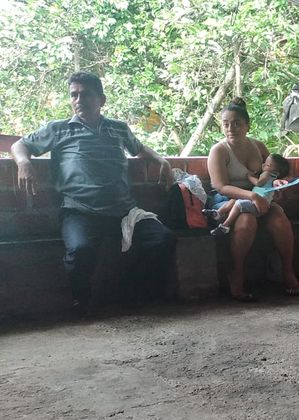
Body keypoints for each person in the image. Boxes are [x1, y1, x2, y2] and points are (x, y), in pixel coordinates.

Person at [11, 71, 176, 314]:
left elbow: (139, 149)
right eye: (74, 95)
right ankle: (82, 302)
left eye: (86, 94)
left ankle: (130, 292)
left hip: (124, 211)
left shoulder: (118, 129)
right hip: (79, 211)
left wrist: (161, 160)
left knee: (163, 238)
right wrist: (24, 162)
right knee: (80, 250)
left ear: (102, 100)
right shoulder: (58, 129)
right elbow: (20, 145)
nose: (79, 100)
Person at [207, 98, 299, 302]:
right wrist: (252, 195)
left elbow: (281, 170)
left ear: (247, 125)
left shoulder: (258, 146)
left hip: (258, 195)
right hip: (227, 199)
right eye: (226, 124)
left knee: (278, 216)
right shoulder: (219, 150)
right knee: (246, 220)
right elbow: (220, 186)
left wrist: (279, 184)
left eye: (237, 123)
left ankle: (287, 270)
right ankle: (236, 272)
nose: (231, 128)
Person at [208, 154, 291, 236]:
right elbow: (221, 187)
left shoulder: (266, 174)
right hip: (254, 199)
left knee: (239, 205)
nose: (262, 164)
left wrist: (249, 176)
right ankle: (218, 213)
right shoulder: (272, 176)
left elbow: (258, 183)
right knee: (234, 201)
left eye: (266, 164)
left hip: (259, 203)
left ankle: (225, 225)